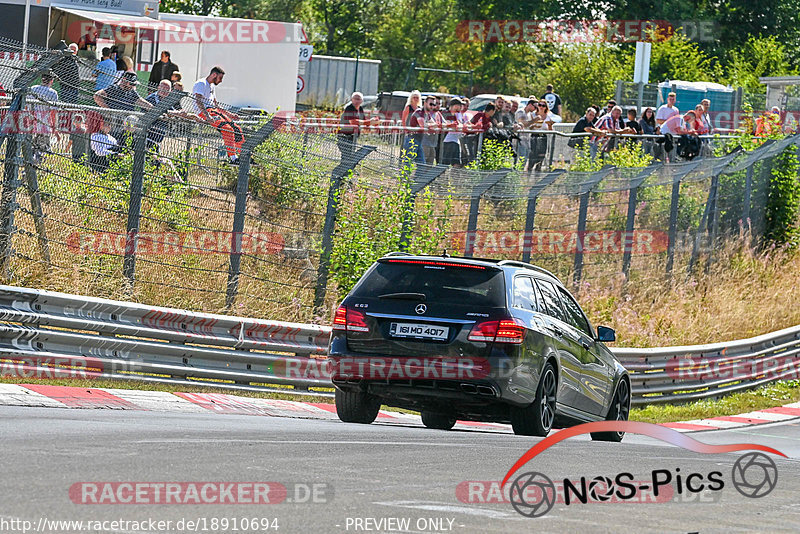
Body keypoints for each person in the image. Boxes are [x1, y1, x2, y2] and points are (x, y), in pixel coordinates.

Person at [193, 66, 246, 164]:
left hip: (213, 110)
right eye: (220, 78)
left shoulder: (212, 86)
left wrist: (230, 114)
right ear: (214, 75)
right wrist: (207, 116)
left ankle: (244, 157)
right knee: (227, 129)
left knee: (237, 128)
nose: (221, 81)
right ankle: (233, 158)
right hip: (204, 112)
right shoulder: (201, 83)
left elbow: (215, 105)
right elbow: (198, 101)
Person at [94, 71, 153, 139]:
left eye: (134, 84)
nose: (132, 86)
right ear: (124, 80)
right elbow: (97, 96)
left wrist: (157, 110)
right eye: (131, 83)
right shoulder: (114, 89)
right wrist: (108, 109)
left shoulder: (132, 92)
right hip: (115, 123)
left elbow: (144, 103)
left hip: (127, 124)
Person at [29, 72, 60, 164]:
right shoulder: (53, 93)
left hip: (32, 124)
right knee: (41, 150)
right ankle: (33, 170)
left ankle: (28, 167)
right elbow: (53, 112)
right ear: (51, 81)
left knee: (31, 148)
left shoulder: (33, 89)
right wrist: (54, 128)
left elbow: (28, 107)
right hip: (45, 125)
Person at [337, 91, 375, 162]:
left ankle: (347, 171)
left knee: (350, 156)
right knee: (346, 156)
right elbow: (353, 122)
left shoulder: (360, 109)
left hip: (353, 136)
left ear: (362, 101)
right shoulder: (349, 108)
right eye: (355, 98)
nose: (357, 101)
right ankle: (342, 172)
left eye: (359, 99)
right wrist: (370, 122)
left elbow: (363, 121)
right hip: (344, 136)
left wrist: (374, 123)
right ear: (351, 99)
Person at [441, 98, 467, 166]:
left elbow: (461, 124)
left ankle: (454, 176)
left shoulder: (457, 115)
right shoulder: (445, 113)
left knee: (456, 163)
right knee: (445, 164)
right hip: (447, 141)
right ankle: (443, 176)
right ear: (455, 106)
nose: (462, 107)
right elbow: (449, 124)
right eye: (460, 105)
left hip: (455, 141)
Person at [421, 95, 444, 164]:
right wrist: (437, 125)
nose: (435, 106)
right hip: (424, 142)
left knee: (429, 164)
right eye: (432, 104)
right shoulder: (421, 112)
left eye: (438, 104)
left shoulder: (436, 114)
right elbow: (424, 125)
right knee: (422, 164)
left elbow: (438, 124)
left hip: (433, 143)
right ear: (425, 103)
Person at [515, 99, 536, 166]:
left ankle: (520, 174)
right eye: (535, 107)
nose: (535, 109)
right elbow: (523, 123)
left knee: (525, 159)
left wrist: (533, 126)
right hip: (519, 139)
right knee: (521, 158)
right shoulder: (521, 112)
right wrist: (535, 120)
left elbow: (528, 125)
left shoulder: (529, 114)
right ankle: (516, 174)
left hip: (526, 139)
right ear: (529, 105)